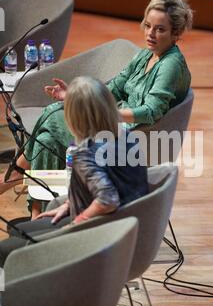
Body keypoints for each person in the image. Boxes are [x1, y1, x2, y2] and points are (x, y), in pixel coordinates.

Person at [0, 0, 193, 217]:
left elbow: (151, 112)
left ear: (175, 33)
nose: (150, 34)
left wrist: (107, 113)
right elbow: (116, 87)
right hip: (114, 118)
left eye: (160, 29)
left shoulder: (170, 65)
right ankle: (37, 215)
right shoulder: (145, 55)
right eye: (148, 25)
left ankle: (17, 171)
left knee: (54, 114)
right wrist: (77, 97)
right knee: (46, 141)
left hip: (131, 133)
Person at [0, 76, 148, 267]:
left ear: (74, 116)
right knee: (18, 229)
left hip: (96, 235)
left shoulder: (85, 153)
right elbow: (113, 184)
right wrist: (69, 204)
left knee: (5, 250)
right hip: (127, 229)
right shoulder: (126, 136)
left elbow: (108, 199)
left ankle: (32, 291)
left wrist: (75, 223)